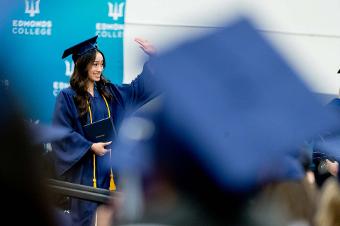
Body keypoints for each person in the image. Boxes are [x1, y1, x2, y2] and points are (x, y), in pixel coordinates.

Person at [51, 35, 158, 226]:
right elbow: (61, 132)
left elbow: (137, 90)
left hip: (110, 175)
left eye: (102, 64)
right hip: (83, 176)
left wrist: (154, 60)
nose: (99, 69)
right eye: (95, 64)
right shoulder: (67, 97)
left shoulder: (110, 92)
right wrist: (90, 146)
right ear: (82, 65)